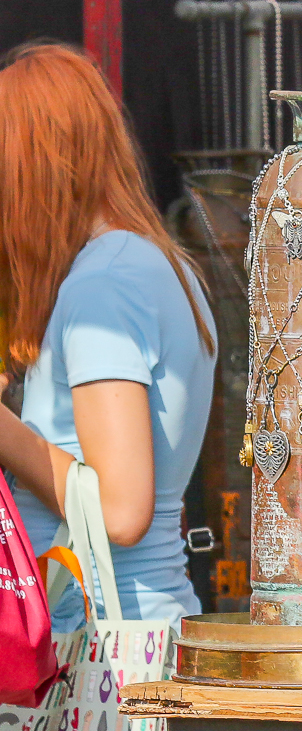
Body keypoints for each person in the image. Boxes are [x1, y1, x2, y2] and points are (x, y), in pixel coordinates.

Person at [0, 42, 215, 629]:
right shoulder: (151, 264)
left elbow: (120, 511)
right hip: (132, 630)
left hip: (103, 648)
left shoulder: (105, 283)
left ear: (38, 166)